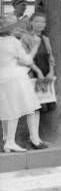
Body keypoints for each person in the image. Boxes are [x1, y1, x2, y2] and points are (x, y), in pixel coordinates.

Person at [0, 16, 45, 152]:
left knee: (6, 108)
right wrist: (35, 47)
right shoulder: (13, 42)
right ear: (11, 29)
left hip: (1, 77)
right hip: (15, 77)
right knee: (16, 109)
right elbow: (26, 60)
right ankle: (10, 142)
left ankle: (6, 137)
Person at [21, 11, 56, 120]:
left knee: (48, 106)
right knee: (37, 108)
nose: (40, 24)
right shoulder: (25, 38)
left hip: (46, 75)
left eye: (43, 22)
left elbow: (50, 57)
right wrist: (38, 72)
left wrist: (51, 71)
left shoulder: (45, 39)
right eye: (37, 21)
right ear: (31, 23)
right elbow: (26, 59)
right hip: (33, 74)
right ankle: (34, 135)